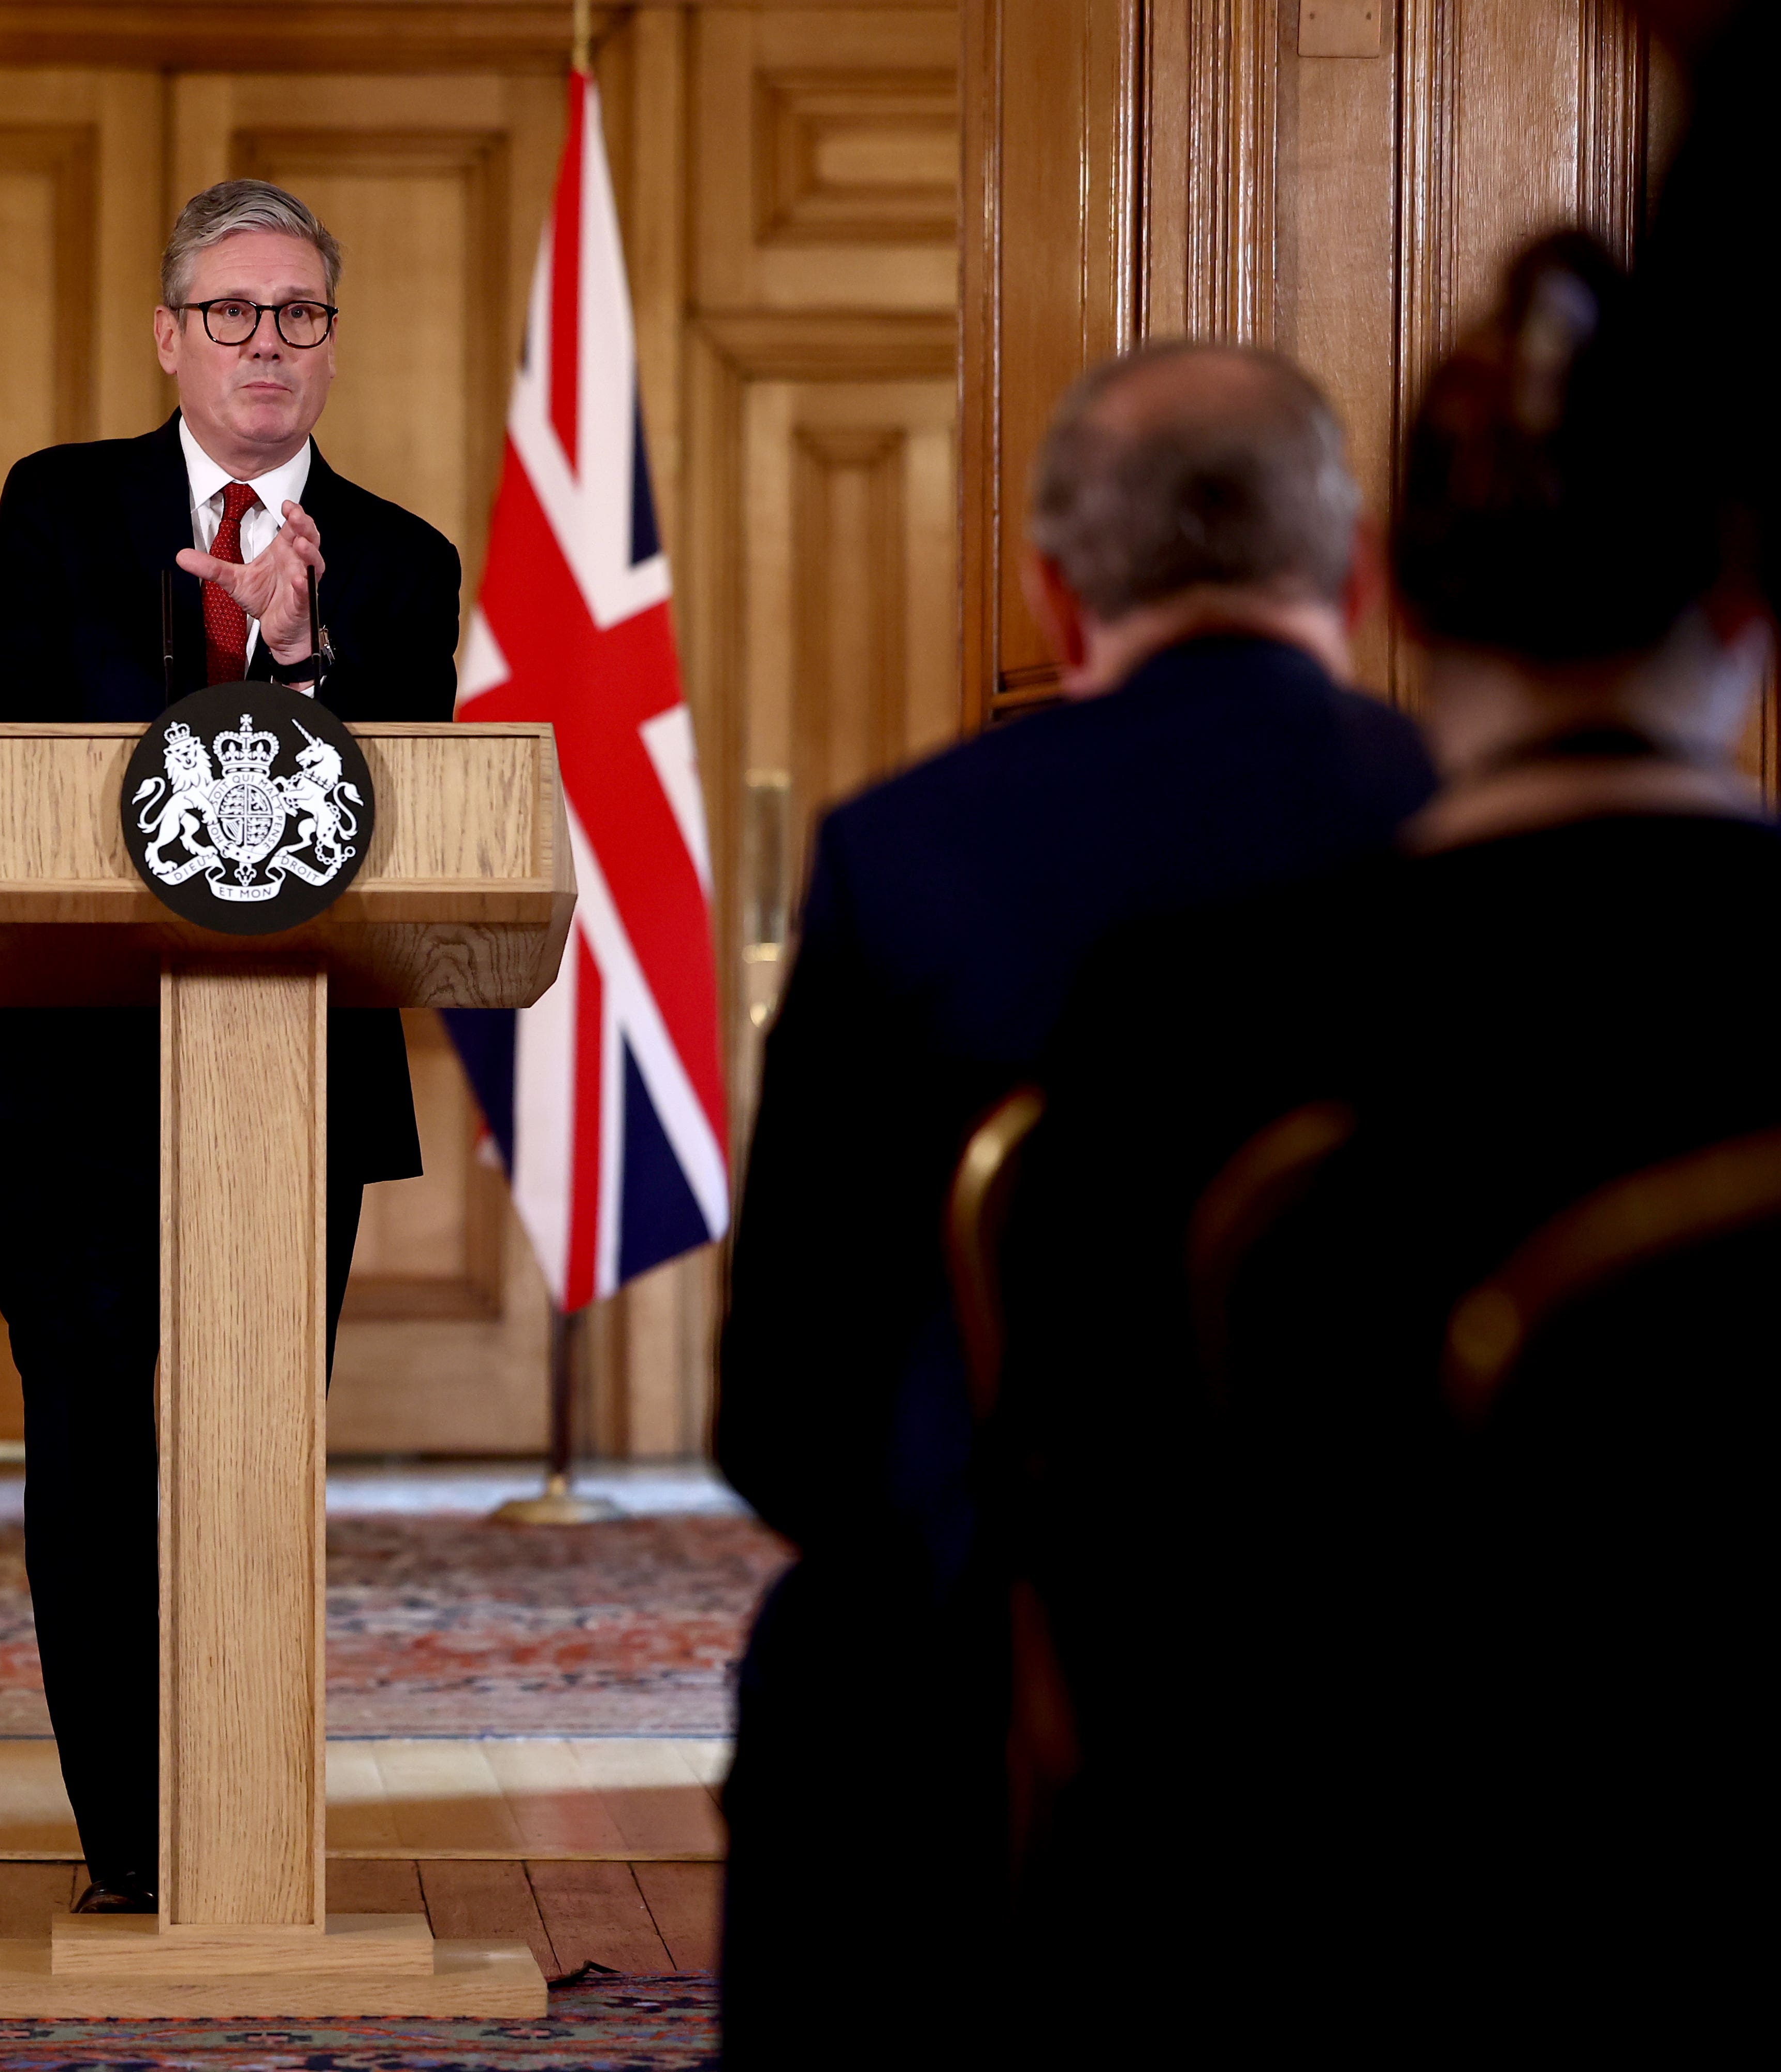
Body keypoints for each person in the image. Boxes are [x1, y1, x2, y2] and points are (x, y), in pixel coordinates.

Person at [1001, 233, 1778, 2047]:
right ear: (1747, 605)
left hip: (1327, 1943)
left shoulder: (1187, 1017)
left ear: (1392, 593)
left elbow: (1092, 1612)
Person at [714, 342, 1437, 2037]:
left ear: (1054, 591)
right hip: (1422, 1697)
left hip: (1004, 1706)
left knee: (839, 1656)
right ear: (1353, 572)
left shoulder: (909, 854)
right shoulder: (1470, 826)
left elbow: (787, 1428)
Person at [0, 179, 460, 1910]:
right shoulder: (61, 510)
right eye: (232, 312)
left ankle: (237, 1834)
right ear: (171, 337)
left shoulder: (400, 561)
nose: (267, 345)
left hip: (295, 1079)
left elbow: (422, 810)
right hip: (76, 1067)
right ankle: (133, 1853)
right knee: (88, 1438)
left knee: (244, 1452)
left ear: (329, 341)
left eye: (300, 313)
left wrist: (300, 659)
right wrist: (188, 680)